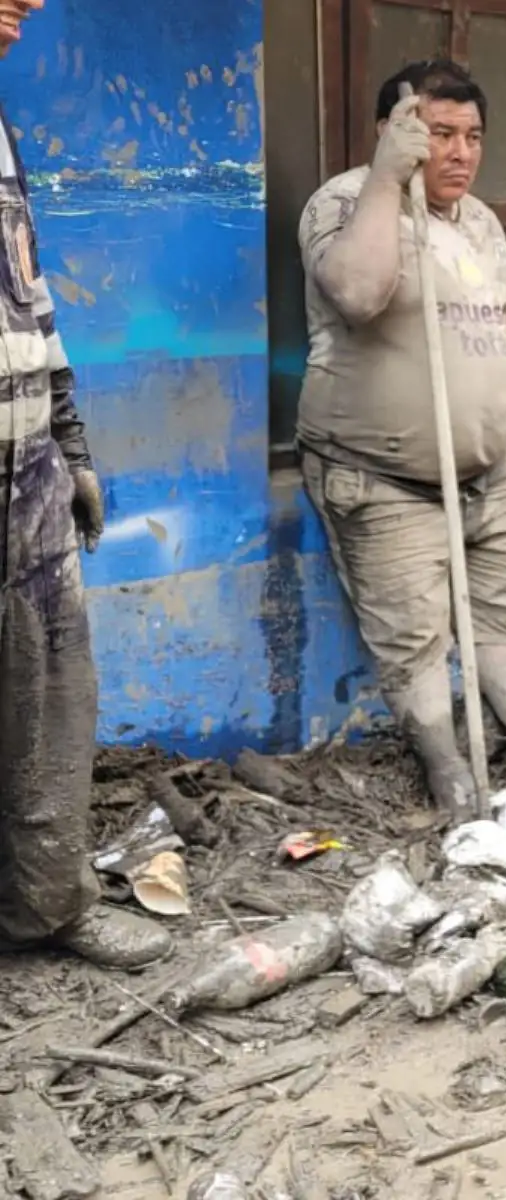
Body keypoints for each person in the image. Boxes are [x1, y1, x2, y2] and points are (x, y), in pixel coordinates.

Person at [297, 59, 506, 820]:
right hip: (380, 478)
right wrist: (389, 178)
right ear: (394, 132)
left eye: (473, 135)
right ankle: (449, 772)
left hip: (486, 476)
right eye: (440, 134)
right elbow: (358, 294)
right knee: (413, 639)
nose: (459, 152)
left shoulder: (481, 223)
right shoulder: (346, 202)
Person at [0, 0, 172, 969]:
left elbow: (33, 306)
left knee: (49, 701)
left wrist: (71, 448)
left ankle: (44, 909)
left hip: (26, 475)